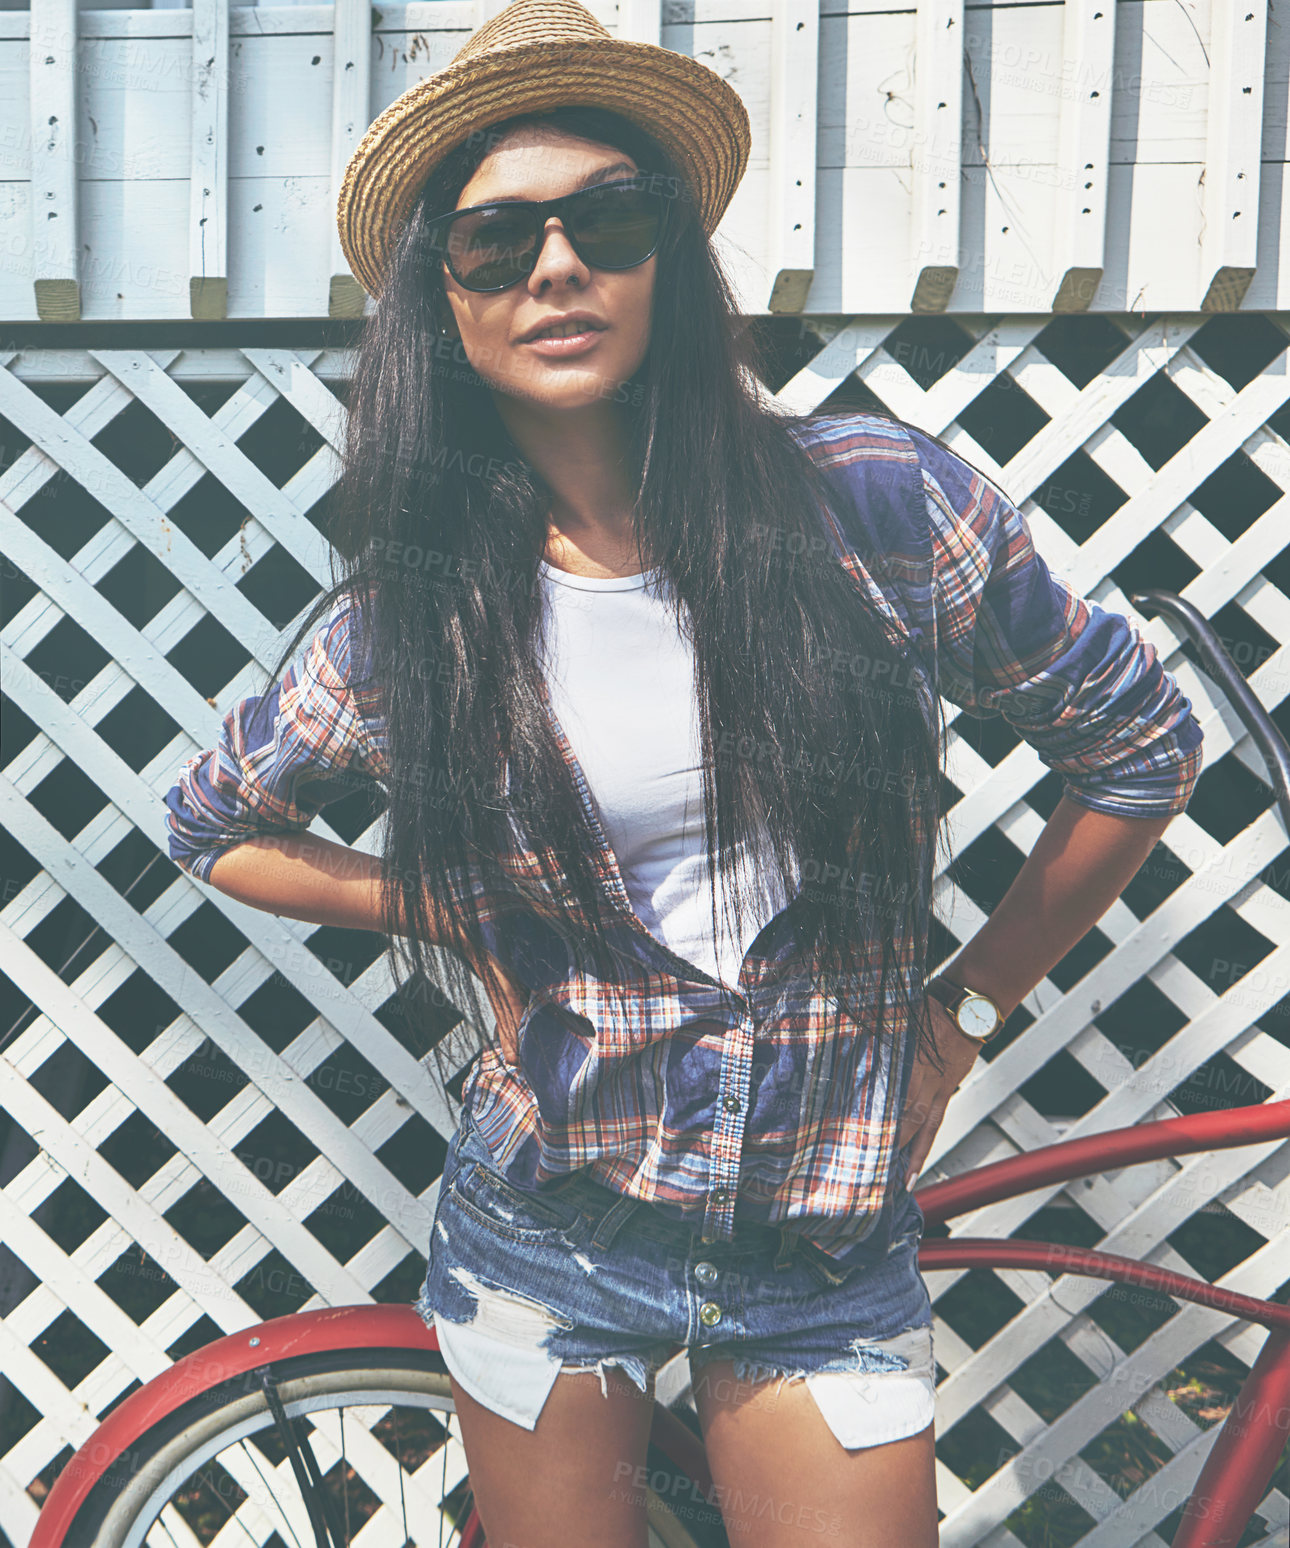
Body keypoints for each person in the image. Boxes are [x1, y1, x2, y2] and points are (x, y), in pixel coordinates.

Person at [164, 0, 1205, 1541]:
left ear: (671, 257)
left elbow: (1136, 745)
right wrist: (450, 904)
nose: (557, 267)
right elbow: (213, 822)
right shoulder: (423, 619)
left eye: (608, 218)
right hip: (550, 1227)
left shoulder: (876, 509)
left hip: (820, 1241)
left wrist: (966, 1009)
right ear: (439, 305)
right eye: (494, 244)